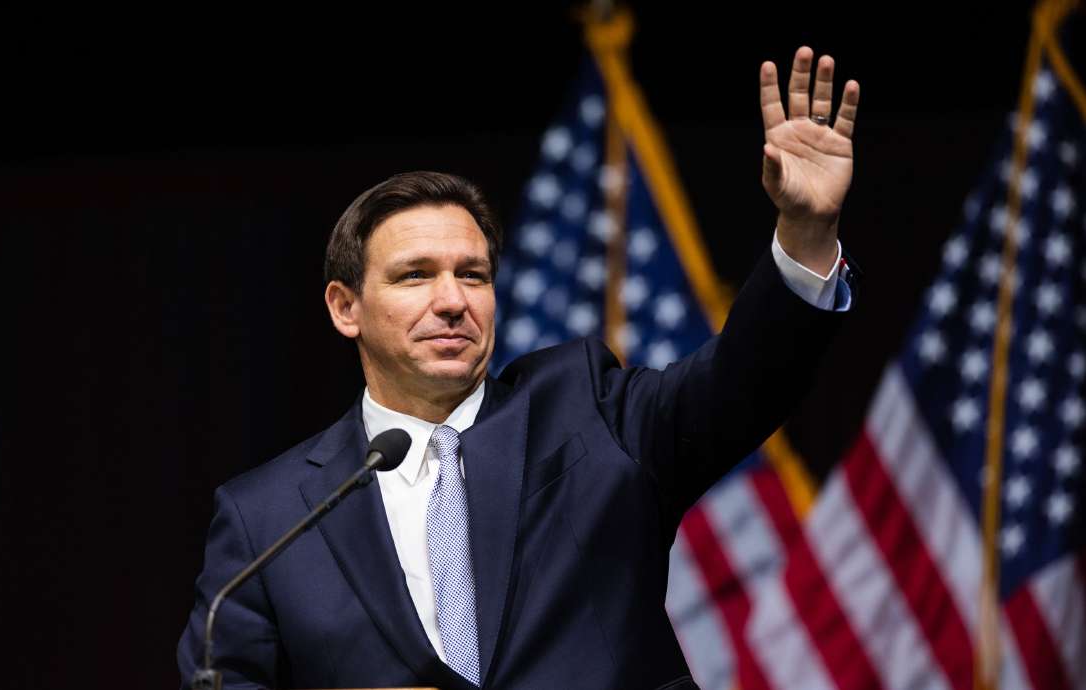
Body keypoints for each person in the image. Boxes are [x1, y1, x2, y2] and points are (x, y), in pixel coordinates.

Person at [178, 46, 860, 689]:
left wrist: (806, 235)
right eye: (416, 275)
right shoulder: (267, 519)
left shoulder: (591, 412)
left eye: (472, 275)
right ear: (345, 306)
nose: (452, 301)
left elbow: (743, 383)